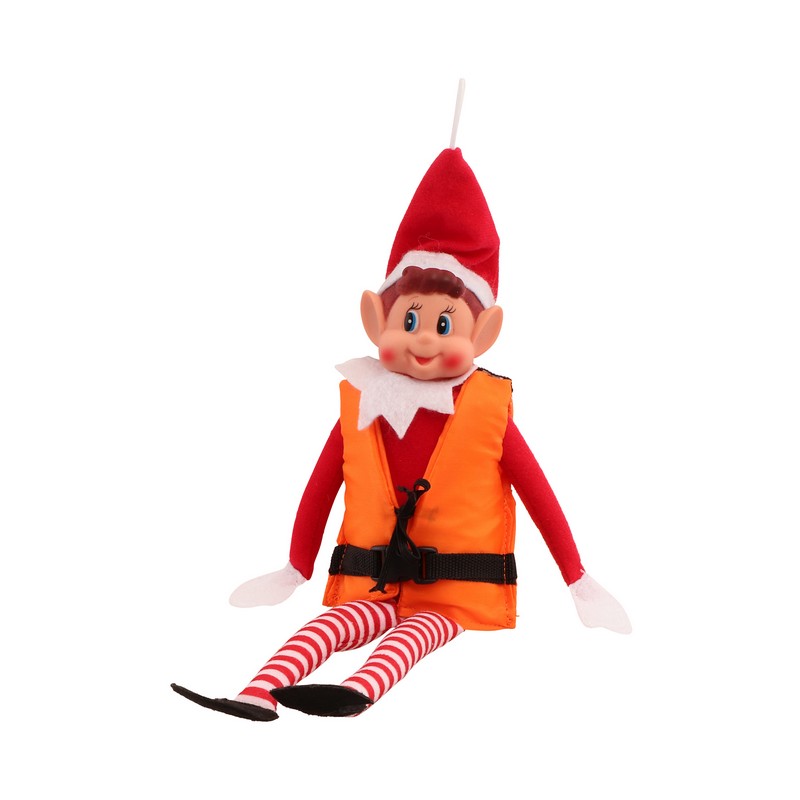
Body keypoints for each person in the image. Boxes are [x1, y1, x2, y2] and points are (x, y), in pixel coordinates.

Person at [171, 147, 631, 722]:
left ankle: (358, 691)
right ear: (376, 320)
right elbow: (320, 487)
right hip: (372, 583)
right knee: (332, 623)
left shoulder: (488, 411)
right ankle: (256, 693)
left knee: (415, 635)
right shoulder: (360, 402)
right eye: (408, 320)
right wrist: (295, 566)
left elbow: (539, 494)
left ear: (484, 332)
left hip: (454, 594)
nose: (424, 339)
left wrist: (577, 579)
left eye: (444, 323)